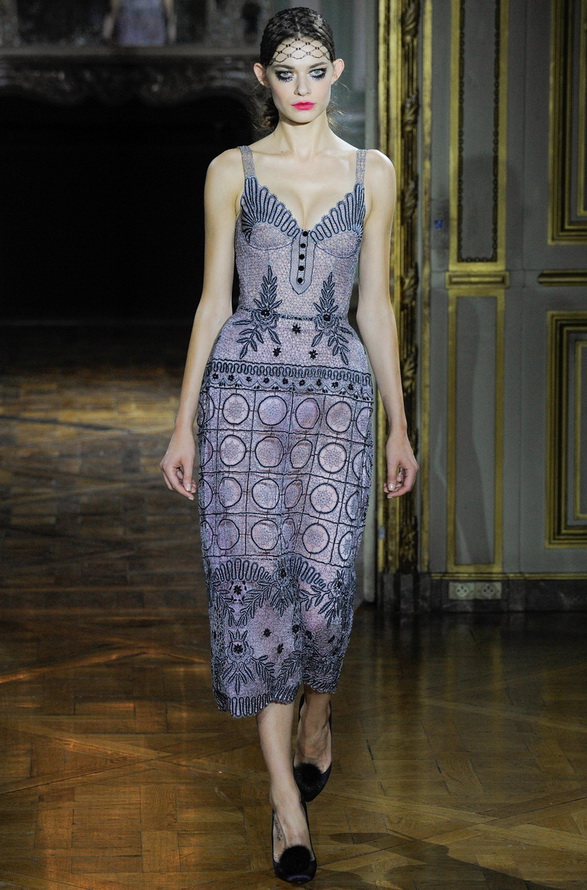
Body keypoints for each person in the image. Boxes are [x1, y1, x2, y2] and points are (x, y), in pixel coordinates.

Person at [160, 6, 418, 884]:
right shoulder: (230, 172)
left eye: (314, 70)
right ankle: (285, 805)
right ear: (261, 78)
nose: (300, 87)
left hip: (337, 406)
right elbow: (213, 302)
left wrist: (400, 422)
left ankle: (318, 711)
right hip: (242, 404)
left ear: (335, 73)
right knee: (256, 595)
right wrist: (183, 422)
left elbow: (374, 303)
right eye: (285, 71)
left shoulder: (372, 172)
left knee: (325, 591)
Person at [103, 0, 176, 46]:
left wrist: (171, 27)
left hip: (153, 30)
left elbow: (169, 11)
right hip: (129, 30)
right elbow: (113, 12)